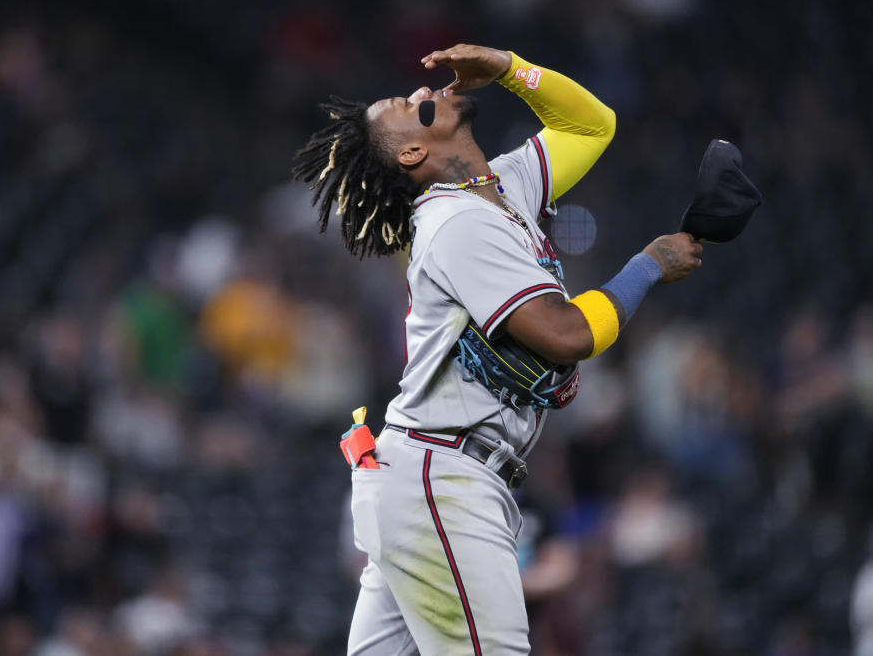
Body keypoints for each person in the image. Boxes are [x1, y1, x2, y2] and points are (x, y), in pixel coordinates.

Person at [294, 43, 702, 656]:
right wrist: (646, 267)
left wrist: (511, 69)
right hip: (443, 477)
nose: (422, 92)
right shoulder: (456, 221)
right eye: (408, 105)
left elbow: (592, 124)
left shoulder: (502, 186)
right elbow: (566, 333)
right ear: (412, 151)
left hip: (435, 477)